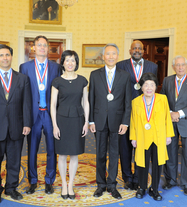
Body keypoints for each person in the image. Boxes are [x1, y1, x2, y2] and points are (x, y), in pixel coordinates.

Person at [0, 45, 32, 204]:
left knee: (15, 160)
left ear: (11, 57)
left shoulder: (22, 78)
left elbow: (26, 103)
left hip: (16, 126)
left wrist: (27, 123)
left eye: (7, 55)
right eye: (1, 55)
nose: (4, 58)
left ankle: (11, 188)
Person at [19, 35, 62, 195]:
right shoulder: (24, 67)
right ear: (34, 48)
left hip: (50, 115)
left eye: (45, 45)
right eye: (39, 45)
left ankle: (49, 180)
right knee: (32, 150)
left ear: (48, 48)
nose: (42, 47)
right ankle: (33, 180)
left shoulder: (56, 67)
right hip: (33, 115)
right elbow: (22, 93)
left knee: (52, 149)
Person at [89, 43, 131, 199]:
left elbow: (128, 101)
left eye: (114, 54)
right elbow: (91, 99)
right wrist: (91, 121)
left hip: (117, 121)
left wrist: (125, 122)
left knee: (114, 154)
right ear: (103, 56)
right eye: (108, 54)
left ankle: (112, 185)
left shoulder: (125, 75)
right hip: (99, 120)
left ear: (118, 56)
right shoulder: (94, 75)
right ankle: (100, 185)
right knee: (100, 154)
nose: (111, 56)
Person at [160, 55, 187, 196]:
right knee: (170, 153)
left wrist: (178, 113)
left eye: (183, 65)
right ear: (173, 67)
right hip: (170, 123)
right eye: (177, 65)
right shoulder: (167, 80)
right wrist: (170, 113)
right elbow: (162, 100)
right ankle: (171, 180)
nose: (180, 67)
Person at [116, 40, 158, 190]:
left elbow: (153, 89)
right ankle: (127, 177)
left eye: (140, 48)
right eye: (134, 48)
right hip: (125, 112)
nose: (137, 50)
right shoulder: (120, 65)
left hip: (144, 114)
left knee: (142, 146)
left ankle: (138, 177)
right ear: (130, 50)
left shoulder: (153, 66)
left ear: (143, 50)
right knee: (125, 147)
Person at [50, 50, 89, 199]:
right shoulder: (57, 81)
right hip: (61, 120)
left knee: (74, 154)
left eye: (73, 60)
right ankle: (63, 185)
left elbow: (86, 102)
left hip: (78, 119)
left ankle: (71, 184)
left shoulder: (82, 80)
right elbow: (53, 104)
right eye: (67, 60)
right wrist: (54, 125)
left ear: (76, 62)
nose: (70, 63)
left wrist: (86, 122)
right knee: (62, 154)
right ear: (63, 63)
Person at [130, 72, 174, 201]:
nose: (149, 88)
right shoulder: (135, 102)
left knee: (157, 164)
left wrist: (168, 135)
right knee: (141, 164)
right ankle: (141, 187)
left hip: (158, 137)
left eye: (152, 85)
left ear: (156, 87)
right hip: (142, 137)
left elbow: (167, 118)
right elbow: (132, 121)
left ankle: (154, 189)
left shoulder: (162, 99)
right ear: (141, 87)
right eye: (146, 85)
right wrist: (133, 137)